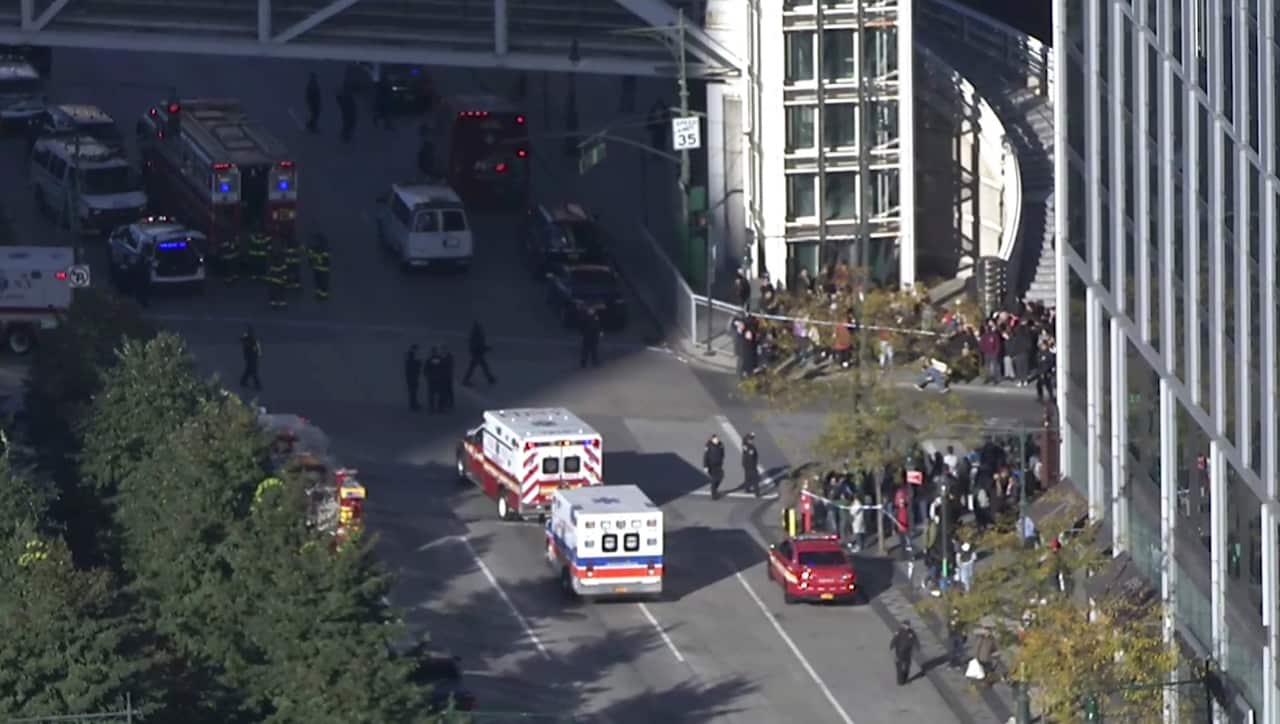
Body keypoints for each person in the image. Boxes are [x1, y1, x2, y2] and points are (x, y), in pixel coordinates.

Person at [462, 322, 496, 386]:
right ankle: (465, 380)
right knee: (475, 367)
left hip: (478, 353)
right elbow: (478, 345)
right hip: (477, 354)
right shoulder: (476, 335)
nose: (481, 328)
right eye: (480, 327)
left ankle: (490, 379)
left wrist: (486, 348)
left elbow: (480, 345)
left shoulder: (477, 335)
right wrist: (486, 348)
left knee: (482, 367)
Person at [703, 434, 725, 500]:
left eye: (717, 439)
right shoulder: (708, 446)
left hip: (719, 465)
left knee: (721, 477)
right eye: (715, 439)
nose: (717, 440)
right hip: (711, 465)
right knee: (714, 479)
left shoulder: (720, 444)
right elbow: (705, 457)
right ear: (712, 439)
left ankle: (714, 489)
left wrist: (721, 459)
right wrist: (705, 466)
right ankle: (714, 495)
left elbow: (722, 453)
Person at [309, 233, 331, 301]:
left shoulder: (322, 250)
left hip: (321, 268)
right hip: (319, 268)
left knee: (321, 283)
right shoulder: (321, 249)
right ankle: (321, 295)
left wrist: (313, 261)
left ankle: (323, 296)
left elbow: (324, 259)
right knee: (319, 282)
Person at [267, 242, 288, 309]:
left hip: (278, 276)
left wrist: (284, 274)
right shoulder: (272, 256)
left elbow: (284, 266)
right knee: (274, 288)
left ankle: (278, 301)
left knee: (279, 288)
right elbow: (269, 266)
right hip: (275, 276)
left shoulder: (280, 256)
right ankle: (275, 301)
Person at [425, 346, 444, 413]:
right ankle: (440, 408)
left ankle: (432, 408)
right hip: (438, 379)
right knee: (439, 394)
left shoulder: (429, 360)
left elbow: (426, 370)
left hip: (432, 379)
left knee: (432, 394)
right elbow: (442, 368)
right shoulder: (440, 359)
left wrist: (428, 376)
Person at [404, 344, 422, 411]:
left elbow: (410, 366)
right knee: (413, 391)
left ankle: (413, 404)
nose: (417, 350)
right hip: (412, 376)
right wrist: (418, 364)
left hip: (411, 376)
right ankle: (413, 405)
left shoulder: (410, 356)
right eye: (416, 349)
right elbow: (412, 366)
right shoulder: (411, 355)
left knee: (413, 391)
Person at [741, 432, 760, 497]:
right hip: (751, 465)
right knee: (755, 478)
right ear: (748, 440)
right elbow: (751, 457)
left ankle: (747, 489)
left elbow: (744, 438)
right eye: (751, 439)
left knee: (747, 477)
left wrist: (750, 435)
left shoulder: (744, 444)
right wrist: (754, 465)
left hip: (745, 464)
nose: (752, 440)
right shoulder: (750, 448)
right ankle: (757, 493)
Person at [440, 346, 455, 411]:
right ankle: (447, 402)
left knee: (448, 390)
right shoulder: (446, 357)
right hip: (445, 376)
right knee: (446, 390)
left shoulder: (448, 357)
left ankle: (449, 402)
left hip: (447, 376)